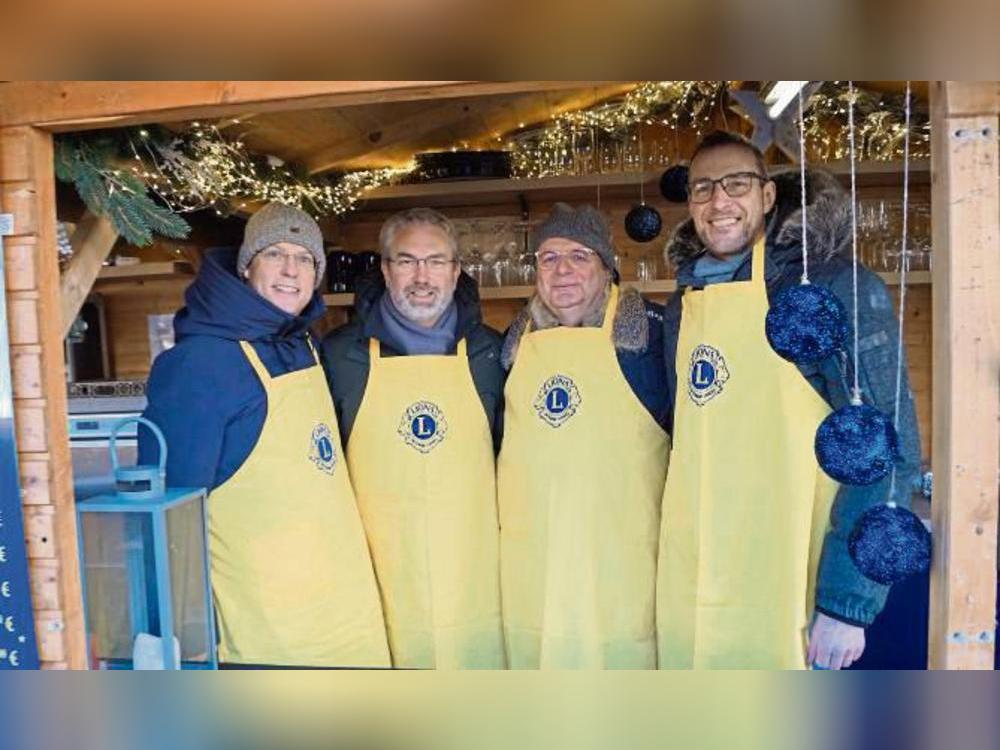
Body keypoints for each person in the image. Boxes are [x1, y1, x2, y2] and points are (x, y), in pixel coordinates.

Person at [656, 131, 921, 669]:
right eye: (703, 188)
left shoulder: (831, 290)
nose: (719, 201)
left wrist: (847, 605)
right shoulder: (682, 308)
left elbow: (888, 448)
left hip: (795, 585)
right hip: (697, 584)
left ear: (768, 197)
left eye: (736, 183)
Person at [139, 202, 390, 668]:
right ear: (246, 265)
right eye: (275, 253)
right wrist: (174, 634)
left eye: (305, 258)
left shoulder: (303, 343)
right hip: (267, 639)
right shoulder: (200, 364)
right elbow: (168, 519)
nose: (290, 270)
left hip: (345, 617)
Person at [321, 208, 505, 669]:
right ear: (385, 270)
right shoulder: (338, 355)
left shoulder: (494, 351)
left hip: (476, 581)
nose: (421, 277)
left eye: (436, 261)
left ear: (456, 270)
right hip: (378, 583)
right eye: (406, 261)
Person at [497, 202, 670, 668]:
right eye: (549, 258)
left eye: (579, 255)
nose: (563, 270)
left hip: (626, 568)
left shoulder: (653, 337)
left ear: (607, 267)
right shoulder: (512, 344)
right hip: (535, 570)